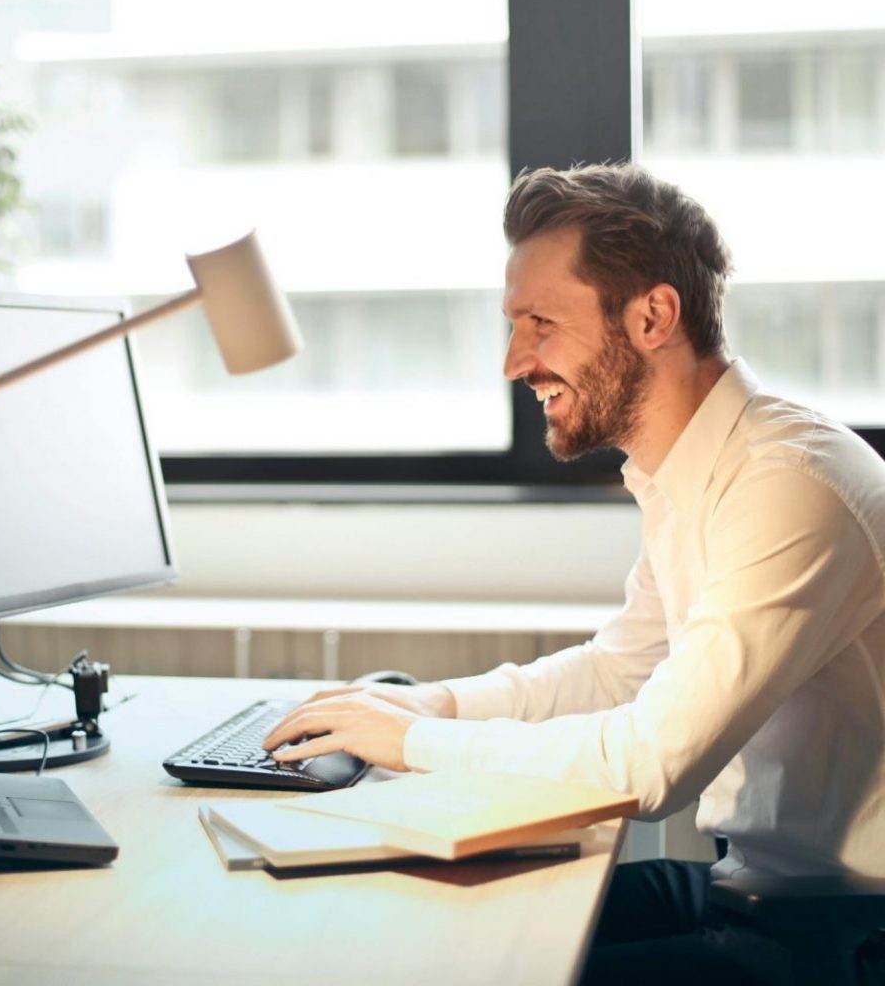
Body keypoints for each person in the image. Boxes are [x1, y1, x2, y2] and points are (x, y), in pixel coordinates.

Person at [263, 163, 885, 984]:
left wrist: (411, 742)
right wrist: (429, 703)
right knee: (433, 929)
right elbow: (619, 671)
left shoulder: (788, 486)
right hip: (751, 891)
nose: (514, 360)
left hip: (839, 933)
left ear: (653, 316)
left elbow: (649, 764)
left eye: (540, 322)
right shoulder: (686, 472)